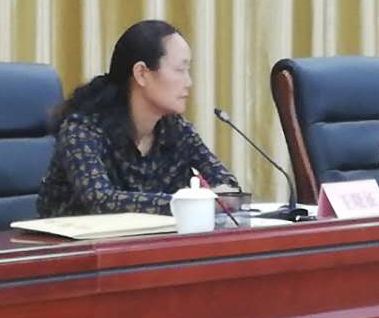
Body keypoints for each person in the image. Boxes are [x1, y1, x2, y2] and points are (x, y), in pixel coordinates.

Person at [37, 19, 239, 216]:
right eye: (179, 70)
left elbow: (228, 187)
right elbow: (101, 201)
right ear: (141, 73)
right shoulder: (83, 130)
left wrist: (223, 196)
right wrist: (187, 203)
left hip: (153, 237)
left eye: (188, 71)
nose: (188, 82)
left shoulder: (176, 129)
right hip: (72, 238)